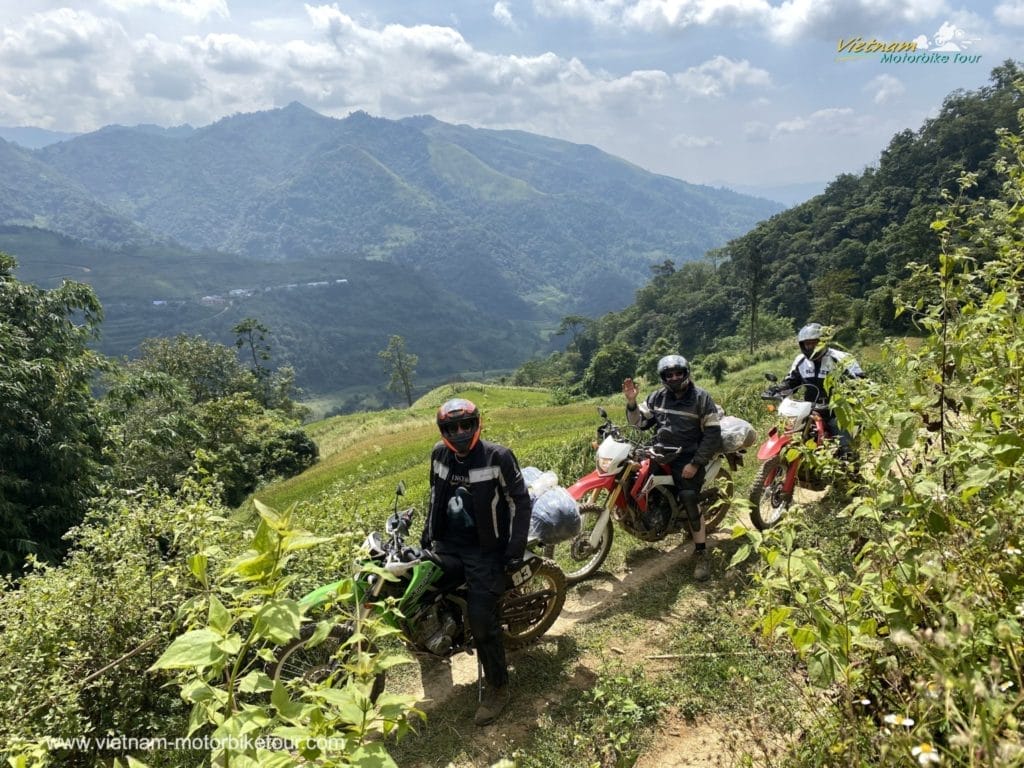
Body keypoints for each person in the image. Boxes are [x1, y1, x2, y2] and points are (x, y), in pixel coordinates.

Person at [420, 397, 533, 726]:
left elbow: (520, 503)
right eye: (451, 427)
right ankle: (440, 637)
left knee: (483, 621)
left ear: (477, 424)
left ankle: (498, 686)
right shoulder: (439, 455)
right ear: (442, 431)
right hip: (447, 542)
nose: (459, 432)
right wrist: (428, 537)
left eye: (465, 425)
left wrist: (512, 550)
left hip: (485, 549)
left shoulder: (498, 457)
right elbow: (434, 496)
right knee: (421, 587)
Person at [623, 354, 723, 582]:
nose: (675, 377)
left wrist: (696, 463)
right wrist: (631, 402)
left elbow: (712, 434)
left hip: (687, 456)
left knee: (689, 497)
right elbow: (639, 422)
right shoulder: (658, 396)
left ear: (686, 373)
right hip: (659, 452)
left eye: (679, 373)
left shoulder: (700, 398)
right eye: (670, 374)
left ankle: (701, 552)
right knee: (634, 479)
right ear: (663, 377)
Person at [779, 323, 865, 458]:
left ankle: (852, 471)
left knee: (845, 450)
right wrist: (778, 389)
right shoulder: (801, 360)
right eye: (807, 344)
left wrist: (848, 400)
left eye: (815, 343)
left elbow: (861, 383)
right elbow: (792, 381)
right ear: (802, 345)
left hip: (837, 411)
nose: (811, 347)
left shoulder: (841, 358)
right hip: (810, 411)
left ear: (823, 342)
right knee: (790, 436)